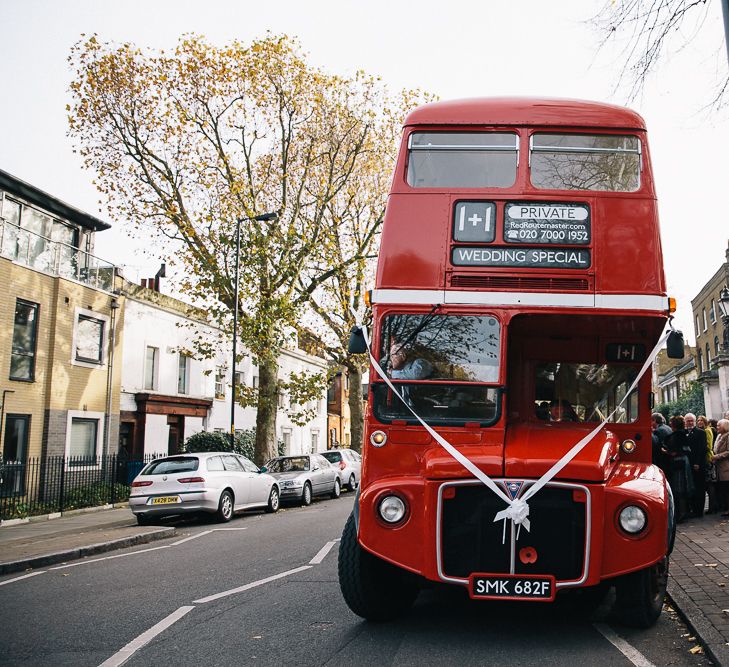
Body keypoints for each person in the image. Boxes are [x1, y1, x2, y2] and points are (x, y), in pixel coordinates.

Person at [665, 415, 693, 522]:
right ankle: (684, 511)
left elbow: (678, 450)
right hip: (682, 460)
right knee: (682, 486)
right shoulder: (682, 434)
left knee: (679, 487)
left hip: (679, 461)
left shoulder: (677, 435)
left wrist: (667, 452)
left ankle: (682, 513)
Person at [684, 412, 708, 517]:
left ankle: (699, 510)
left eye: (691, 421)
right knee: (691, 486)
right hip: (688, 464)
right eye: (688, 421)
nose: (690, 423)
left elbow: (702, 449)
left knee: (699, 487)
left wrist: (697, 463)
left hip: (698, 464)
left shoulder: (701, 432)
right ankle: (692, 508)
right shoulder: (683, 432)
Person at [698, 415, 717, 512]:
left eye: (701, 420)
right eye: (698, 420)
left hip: (708, 458)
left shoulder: (707, 431)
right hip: (707, 458)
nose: (699, 422)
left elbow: (708, 445)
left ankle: (712, 506)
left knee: (710, 484)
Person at [711, 419, 729, 517]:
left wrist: (717, 456)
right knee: (723, 488)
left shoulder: (728, 436)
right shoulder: (719, 436)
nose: (717, 427)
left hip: (726, 466)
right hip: (719, 466)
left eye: (719, 425)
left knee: (727, 487)